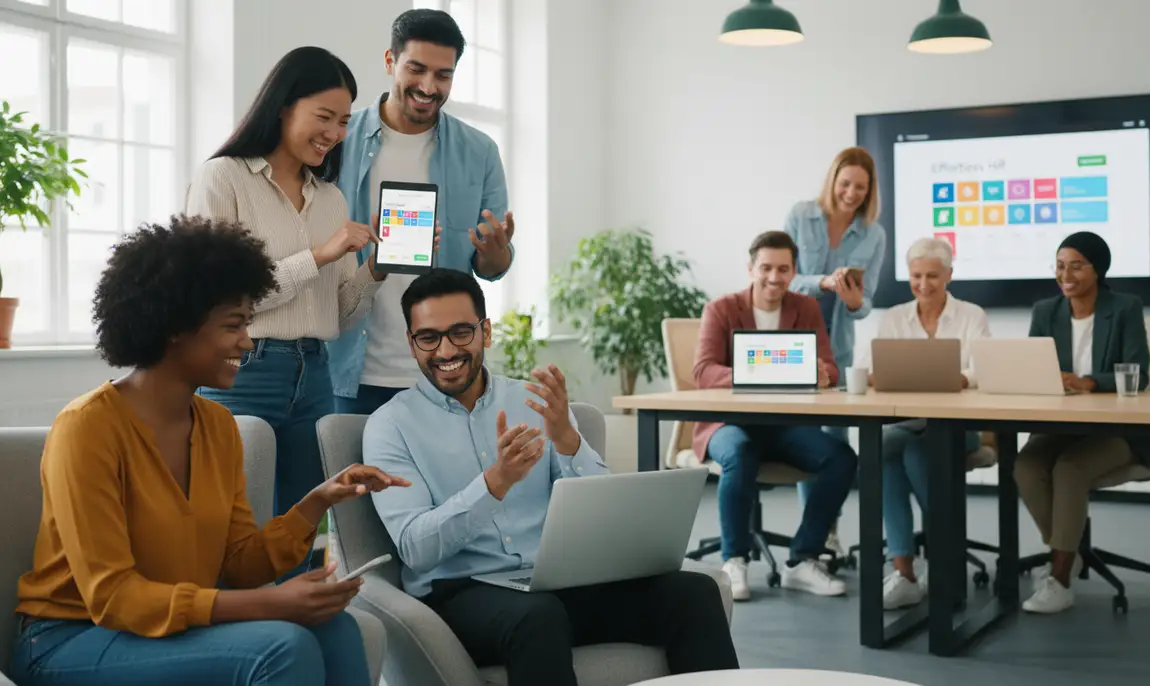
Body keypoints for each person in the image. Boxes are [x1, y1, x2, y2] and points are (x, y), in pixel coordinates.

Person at [9, 217, 409, 686]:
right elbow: (114, 597)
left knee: (333, 628)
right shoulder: (87, 429)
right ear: (176, 326)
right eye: (234, 326)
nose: (247, 341)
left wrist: (314, 502)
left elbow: (238, 564)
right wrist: (269, 604)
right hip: (72, 638)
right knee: (283, 647)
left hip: (165, 631)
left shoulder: (218, 427)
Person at [363, 268, 738, 685]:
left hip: (557, 581)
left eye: (461, 332)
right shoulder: (389, 426)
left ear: (486, 332)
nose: (446, 349)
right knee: (537, 617)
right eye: (428, 337)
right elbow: (415, 548)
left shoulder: (534, 400)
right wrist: (495, 484)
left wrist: (567, 440)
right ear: (411, 344)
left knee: (693, 593)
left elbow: (600, 510)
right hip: (460, 592)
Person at [184, 47, 393, 576]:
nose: (335, 132)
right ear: (283, 106)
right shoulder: (223, 179)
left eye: (344, 121)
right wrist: (319, 255)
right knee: (233, 528)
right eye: (324, 117)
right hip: (242, 372)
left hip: (315, 372)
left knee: (307, 530)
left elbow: (340, 313)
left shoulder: (332, 200)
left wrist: (376, 270)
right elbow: (219, 300)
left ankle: (302, 630)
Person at [328, 8, 515, 416]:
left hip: (444, 373)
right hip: (350, 372)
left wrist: (496, 252)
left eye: (443, 75)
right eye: (417, 69)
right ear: (390, 62)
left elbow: (492, 266)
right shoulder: (339, 141)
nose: (429, 87)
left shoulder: (480, 152)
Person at [693, 231, 859, 602]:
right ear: (750, 268)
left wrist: (823, 373)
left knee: (841, 458)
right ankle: (734, 560)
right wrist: (760, 373)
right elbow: (703, 372)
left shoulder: (807, 308)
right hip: (728, 424)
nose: (774, 277)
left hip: (784, 426)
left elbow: (830, 367)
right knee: (739, 453)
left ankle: (803, 559)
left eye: (783, 269)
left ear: (794, 271)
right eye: (765, 267)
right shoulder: (721, 309)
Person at [1013, 231, 1150, 615]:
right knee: (1026, 467)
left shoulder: (1125, 307)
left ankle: (1060, 578)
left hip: (1116, 431)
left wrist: (1089, 382)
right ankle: (1068, 551)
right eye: (1060, 266)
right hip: (1061, 428)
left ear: (1098, 269)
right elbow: (1031, 369)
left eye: (1077, 265)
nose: (1066, 274)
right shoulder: (1046, 311)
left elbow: (1138, 375)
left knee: (1070, 471)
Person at [855, 236, 991, 609]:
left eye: (933, 275)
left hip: (958, 428)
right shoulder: (894, 317)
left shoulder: (971, 315)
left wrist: (956, 378)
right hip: (907, 423)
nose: (924, 284)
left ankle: (941, 559)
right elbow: (870, 368)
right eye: (917, 276)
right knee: (880, 448)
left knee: (915, 452)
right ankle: (905, 572)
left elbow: (981, 372)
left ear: (949, 274)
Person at [783, 146, 887, 554]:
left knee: (835, 441)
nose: (851, 193)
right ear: (833, 181)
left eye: (860, 187)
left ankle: (827, 530)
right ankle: (814, 536)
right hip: (793, 343)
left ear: (869, 190)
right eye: (845, 184)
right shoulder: (800, 215)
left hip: (836, 346)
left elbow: (867, 303)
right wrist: (823, 282)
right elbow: (782, 277)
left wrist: (853, 300)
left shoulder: (874, 234)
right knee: (806, 437)